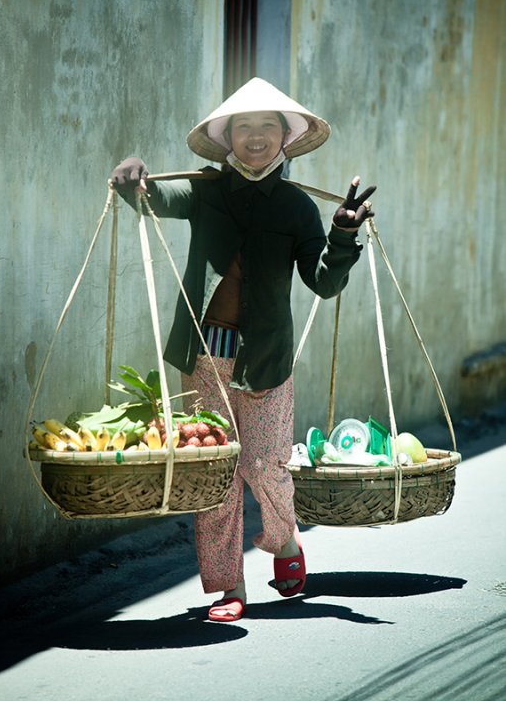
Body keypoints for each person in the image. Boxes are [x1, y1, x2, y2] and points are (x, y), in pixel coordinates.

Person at [110, 77, 375, 622]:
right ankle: (228, 585)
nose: (256, 137)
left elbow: (324, 283)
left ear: (285, 137)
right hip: (206, 354)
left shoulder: (299, 208)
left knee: (268, 466)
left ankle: (285, 542)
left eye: (268, 127)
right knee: (217, 474)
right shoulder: (205, 190)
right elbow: (152, 197)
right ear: (228, 138)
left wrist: (343, 235)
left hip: (267, 358)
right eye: (244, 127)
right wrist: (132, 172)